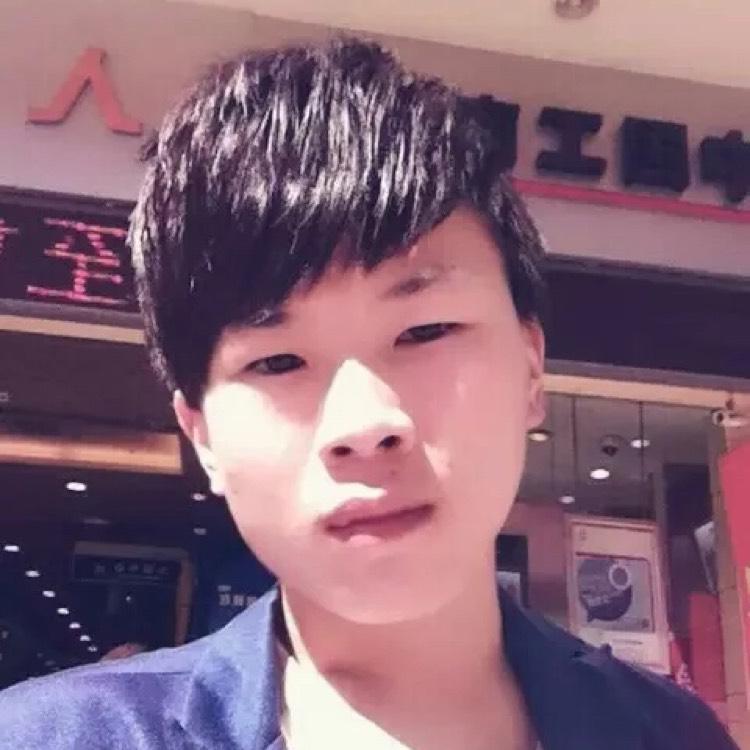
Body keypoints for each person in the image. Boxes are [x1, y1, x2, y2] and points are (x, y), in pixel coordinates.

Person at [0, 37, 737, 750]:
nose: (363, 424)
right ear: (202, 434)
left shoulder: (673, 736)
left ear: (530, 368)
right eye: (278, 361)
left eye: (426, 331)